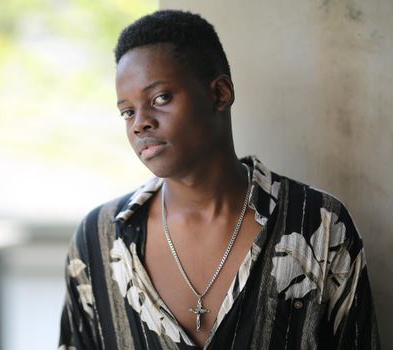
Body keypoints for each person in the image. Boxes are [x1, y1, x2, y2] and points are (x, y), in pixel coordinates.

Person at [58, 9, 380, 350]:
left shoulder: (320, 223)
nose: (140, 123)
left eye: (160, 98)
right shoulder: (99, 238)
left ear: (220, 93)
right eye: (128, 111)